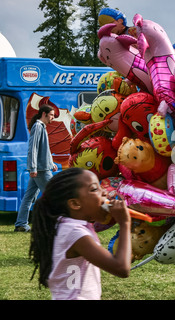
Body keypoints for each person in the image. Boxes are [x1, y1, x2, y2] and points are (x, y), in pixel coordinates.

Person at [29, 168, 131, 300]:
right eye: (94, 189)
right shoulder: (75, 233)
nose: (105, 192)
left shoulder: (67, 226)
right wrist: (125, 224)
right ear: (75, 203)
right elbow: (121, 268)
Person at [14, 105, 58, 232]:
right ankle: (52, 225)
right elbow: (33, 148)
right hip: (41, 170)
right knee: (53, 195)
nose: (53, 118)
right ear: (44, 114)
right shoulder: (38, 126)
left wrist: (51, 163)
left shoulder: (41, 127)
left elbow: (44, 149)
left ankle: (21, 224)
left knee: (29, 197)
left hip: (42, 168)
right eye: (51, 115)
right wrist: (33, 167)